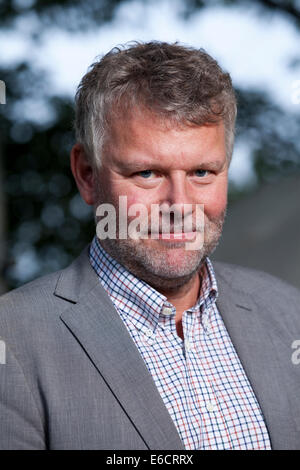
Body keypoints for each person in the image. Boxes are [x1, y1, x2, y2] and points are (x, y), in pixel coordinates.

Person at [1, 41, 300, 451]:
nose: (179, 206)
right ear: (87, 174)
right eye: (146, 173)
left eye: (202, 172)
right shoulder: (13, 342)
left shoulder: (289, 314)